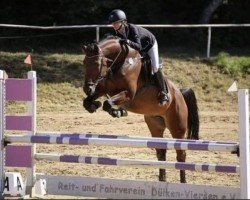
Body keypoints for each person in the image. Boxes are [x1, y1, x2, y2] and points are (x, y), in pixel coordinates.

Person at [108, 9, 169, 105]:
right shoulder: (118, 33)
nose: (114, 25)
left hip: (149, 45)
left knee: (155, 67)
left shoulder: (132, 29)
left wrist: (127, 41)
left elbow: (138, 46)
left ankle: (164, 92)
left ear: (123, 22)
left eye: (116, 23)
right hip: (139, 49)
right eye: (112, 23)